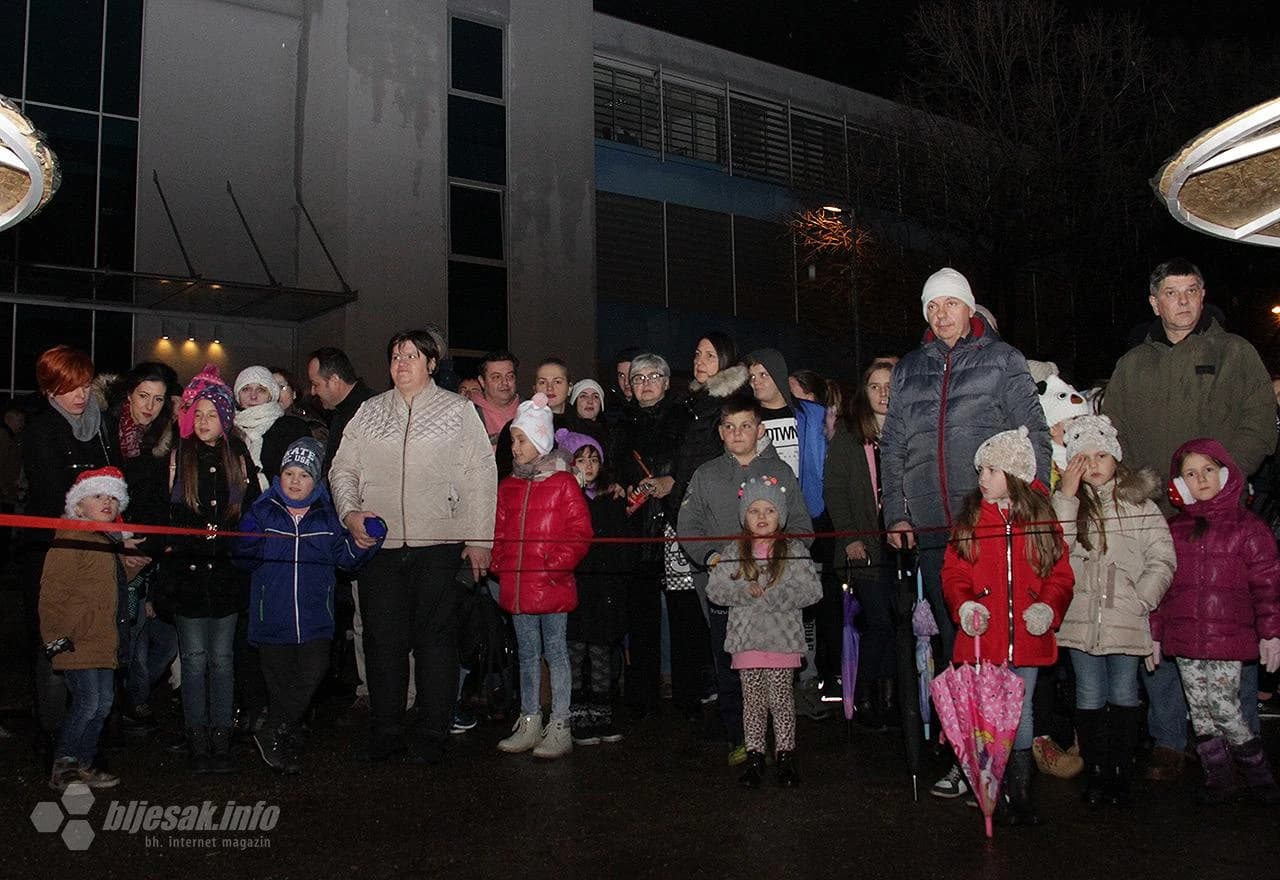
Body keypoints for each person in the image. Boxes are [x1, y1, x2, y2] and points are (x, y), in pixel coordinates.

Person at [1103, 259, 1275, 781]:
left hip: (1224, 518)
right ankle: (1170, 740)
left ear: (1204, 295)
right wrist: (1134, 489)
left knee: (1230, 622)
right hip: (1156, 517)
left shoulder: (1234, 352)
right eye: (1171, 293)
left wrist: (1227, 476)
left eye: (1191, 290)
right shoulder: (1133, 363)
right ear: (1154, 302)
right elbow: (1116, 432)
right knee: (1160, 621)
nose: (1182, 301)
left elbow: (1261, 421)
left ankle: (1239, 736)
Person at [880, 268, 1049, 799]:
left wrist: (1031, 501)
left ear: (969, 308)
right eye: (932, 307)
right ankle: (964, 754)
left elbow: (1033, 431)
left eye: (950, 304)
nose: (941, 314)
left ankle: (1009, 752)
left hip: (993, 522)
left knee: (1000, 640)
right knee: (956, 642)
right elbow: (893, 447)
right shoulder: (909, 369)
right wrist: (895, 516)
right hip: (932, 527)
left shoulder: (1003, 360)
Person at [329, 329, 497, 764]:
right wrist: (350, 514)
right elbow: (342, 468)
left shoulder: (459, 411)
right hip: (378, 548)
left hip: (438, 545)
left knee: (435, 643)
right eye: (395, 356)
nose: (401, 363)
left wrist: (479, 541)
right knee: (383, 643)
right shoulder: (368, 412)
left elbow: (480, 477)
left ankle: (432, 731)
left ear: (432, 363)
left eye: (411, 356)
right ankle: (386, 729)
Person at [942, 427, 1073, 824]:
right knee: (989, 717)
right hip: (987, 638)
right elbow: (953, 572)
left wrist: (1047, 609)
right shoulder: (970, 519)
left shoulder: (1041, 519)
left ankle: (1021, 794)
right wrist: (964, 606)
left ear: (1014, 474)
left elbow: (1060, 575)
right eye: (981, 469)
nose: (983, 477)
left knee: (1022, 711)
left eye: (993, 470)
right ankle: (990, 786)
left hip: (1027, 640)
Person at [234, 437, 382, 774]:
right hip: (272, 618)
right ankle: (283, 743)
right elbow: (244, 561)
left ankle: (272, 730)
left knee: (312, 675)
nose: (295, 481)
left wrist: (367, 542)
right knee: (281, 684)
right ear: (279, 475)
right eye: (289, 473)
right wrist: (244, 544)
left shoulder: (327, 518)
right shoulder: (262, 511)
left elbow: (346, 560)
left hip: (316, 620)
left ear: (316, 480)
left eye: (304, 474)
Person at [679, 393, 813, 766]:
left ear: (759, 428)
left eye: (746, 425)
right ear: (720, 432)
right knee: (731, 666)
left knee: (778, 671)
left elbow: (801, 525)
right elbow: (688, 525)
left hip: (777, 597)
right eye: (730, 427)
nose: (738, 433)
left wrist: (785, 563)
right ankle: (742, 741)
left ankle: (782, 744)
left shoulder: (781, 473)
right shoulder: (706, 475)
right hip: (727, 592)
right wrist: (712, 557)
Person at [1051, 415, 1175, 807]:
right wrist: (1066, 496)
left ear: (1116, 457)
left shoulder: (1139, 504)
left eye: (1102, 454)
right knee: (1088, 693)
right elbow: (1055, 551)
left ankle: (1121, 770)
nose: (1095, 463)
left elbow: (1162, 557)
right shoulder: (1070, 506)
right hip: (1080, 618)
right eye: (1084, 457)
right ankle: (1097, 770)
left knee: (1124, 691)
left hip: (1125, 616)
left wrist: (1141, 598)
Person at [1152, 438, 1280, 804]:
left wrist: (1271, 634)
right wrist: (1155, 634)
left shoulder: (1249, 529)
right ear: (1180, 485)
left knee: (1224, 707)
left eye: (1208, 470)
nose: (1201, 479)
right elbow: (1162, 587)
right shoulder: (1175, 530)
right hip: (1187, 636)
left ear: (1225, 474)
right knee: (1200, 711)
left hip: (1228, 636)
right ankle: (1220, 778)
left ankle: (1259, 775)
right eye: (1191, 474)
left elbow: (1268, 585)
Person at [158, 377, 259, 774]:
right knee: (195, 658)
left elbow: (249, 513)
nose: (203, 421)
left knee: (222, 659)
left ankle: (222, 738)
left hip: (227, 578)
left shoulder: (238, 456)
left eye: (212, 414)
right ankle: (196, 738)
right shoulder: (180, 457)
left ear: (226, 418)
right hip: (189, 577)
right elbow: (170, 512)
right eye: (197, 414)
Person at [21, 345, 120, 747]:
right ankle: (55, 738)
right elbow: (50, 494)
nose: (79, 395)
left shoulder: (102, 425)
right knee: (57, 644)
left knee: (98, 639)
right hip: (54, 552)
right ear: (49, 390)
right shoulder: (40, 429)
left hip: (101, 551)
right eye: (68, 387)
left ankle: (90, 741)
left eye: (83, 385)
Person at [491, 395, 592, 758]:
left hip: (550, 584)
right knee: (527, 654)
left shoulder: (563, 484)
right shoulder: (509, 487)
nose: (514, 447)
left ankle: (560, 723)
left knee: (556, 653)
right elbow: (498, 533)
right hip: (519, 586)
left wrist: (555, 564)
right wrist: (501, 563)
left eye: (520, 440)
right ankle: (530, 718)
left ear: (540, 440)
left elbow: (580, 532)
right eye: (514, 440)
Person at [706, 474, 822, 788]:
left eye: (769, 511)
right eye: (755, 510)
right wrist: (744, 591)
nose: (761, 517)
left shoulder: (794, 550)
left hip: (782, 642)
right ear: (744, 515)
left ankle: (786, 755)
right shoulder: (733, 551)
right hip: (747, 643)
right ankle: (755, 755)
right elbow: (715, 589)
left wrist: (776, 595)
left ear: (781, 516)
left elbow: (813, 590)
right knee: (753, 701)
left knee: (782, 700)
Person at [608, 353, 697, 718]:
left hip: (677, 524)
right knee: (640, 615)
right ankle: (641, 697)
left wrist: (671, 482)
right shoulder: (620, 422)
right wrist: (620, 486)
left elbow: (695, 464)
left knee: (685, 616)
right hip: (637, 525)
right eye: (638, 376)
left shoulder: (684, 417)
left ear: (665, 381)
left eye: (653, 376)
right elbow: (612, 468)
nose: (644, 382)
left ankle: (689, 696)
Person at [40, 467, 133, 791]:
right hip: (75, 640)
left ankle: (83, 763)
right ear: (79, 506)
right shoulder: (70, 540)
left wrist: (132, 568)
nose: (106, 502)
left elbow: (111, 588)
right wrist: (56, 639)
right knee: (88, 702)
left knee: (102, 704)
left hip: (103, 640)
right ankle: (64, 764)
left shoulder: (107, 542)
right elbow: (52, 593)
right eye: (97, 496)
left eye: (112, 497)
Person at [105, 362, 181, 728]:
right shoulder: (107, 431)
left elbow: (163, 498)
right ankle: (122, 705)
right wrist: (120, 541)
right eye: (143, 397)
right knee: (124, 632)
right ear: (129, 395)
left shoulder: (166, 435)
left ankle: (137, 695)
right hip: (113, 543)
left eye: (158, 399)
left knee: (159, 635)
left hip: (153, 547)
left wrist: (152, 547)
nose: (149, 406)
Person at [823, 359, 898, 724]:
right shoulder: (849, 435)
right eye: (875, 386)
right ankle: (866, 692)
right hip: (865, 546)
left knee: (903, 622)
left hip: (902, 546)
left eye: (890, 385)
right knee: (879, 619)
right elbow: (834, 490)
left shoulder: (906, 431)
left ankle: (893, 696)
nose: (883, 393)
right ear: (864, 393)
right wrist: (851, 536)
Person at [559, 428, 631, 746]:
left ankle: (601, 711)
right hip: (575, 584)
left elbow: (622, 543)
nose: (588, 466)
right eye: (581, 459)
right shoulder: (563, 498)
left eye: (594, 459)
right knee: (575, 650)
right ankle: (577, 712)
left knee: (601, 649)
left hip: (604, 586)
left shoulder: (610, 498)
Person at [233, 365, 311, 489]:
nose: (253, 396)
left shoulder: (292, 428)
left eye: (261, 390)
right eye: (246, 389)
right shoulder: (229, 431)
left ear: (271, 395)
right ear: (238, 395)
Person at [306, 346, 377, 480]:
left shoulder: (372, 411)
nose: (312, 392)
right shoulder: (339, 412)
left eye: (315, 384)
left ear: (334, 381)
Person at [473, 350, 520, 450]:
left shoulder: (531, 410)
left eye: (510, 376)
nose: (505, 383)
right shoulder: (470, 414)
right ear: (482, 381)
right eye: (496, 377)